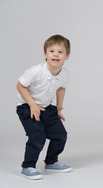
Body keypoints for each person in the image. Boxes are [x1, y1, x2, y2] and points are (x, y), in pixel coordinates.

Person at [16, 34, 72, 180]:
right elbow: (20, 86)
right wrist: (32, 105)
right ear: (45, 54)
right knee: (38, 135)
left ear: (67, 56)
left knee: (60, 136)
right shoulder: (36, 71)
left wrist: (59, 108)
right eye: (52, 51)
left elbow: (61, 89)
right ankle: (28, 166)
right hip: (26, 106)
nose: (56, 54)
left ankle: (51, 162)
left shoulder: (64, 73)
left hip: (47, 107)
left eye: (60, 52)